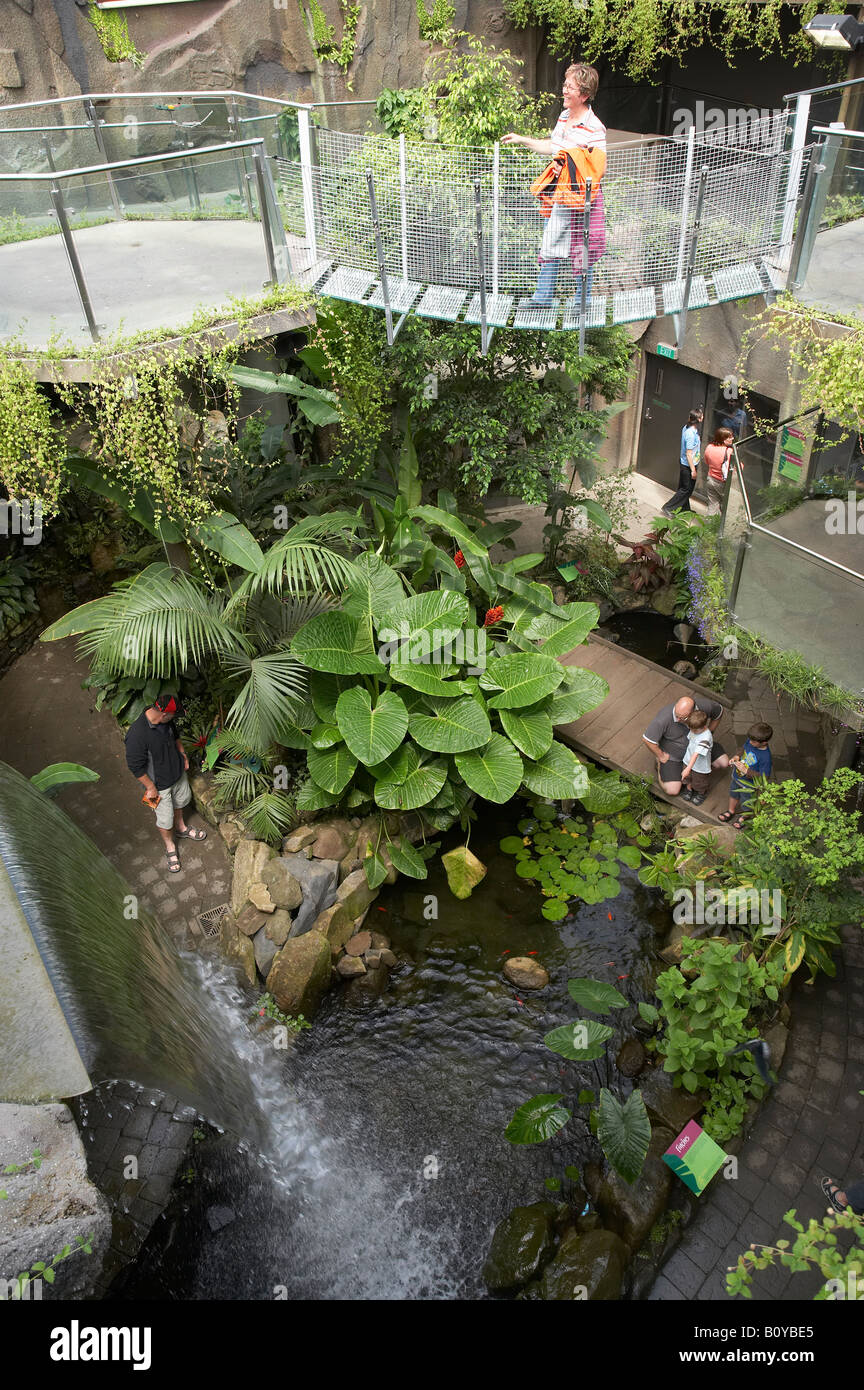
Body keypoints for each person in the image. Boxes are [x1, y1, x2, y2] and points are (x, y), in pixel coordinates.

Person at [502, 63, 606, 308]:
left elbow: (599, 167)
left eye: (569, 87)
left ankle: (583, 301)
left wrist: (570, 169)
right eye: (565, 84)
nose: (564, 90)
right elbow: (553, 147)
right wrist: (521, 139)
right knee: (550, 241)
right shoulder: (564, 116)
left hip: (581, 198)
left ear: (584, 94)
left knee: (582, 246)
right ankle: (543, 298)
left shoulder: (594, 127)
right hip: (560, 195)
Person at [125, 692, 207, 874]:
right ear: (164, 714)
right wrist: (150, 787)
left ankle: (181, 828)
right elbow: (135, 767)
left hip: (177, 774)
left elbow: (175, 737)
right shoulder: (137, 734)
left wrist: (183, 755)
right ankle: (170, 846)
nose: (174, 719)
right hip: (158, 786)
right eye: (173, 716)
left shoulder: (165, 721)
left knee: (180, 802)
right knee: (164, 819)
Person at [642, 693, 730, 798]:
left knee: (724, 763)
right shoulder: (663, 718)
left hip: (699, 747)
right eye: (676, 715)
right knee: (672, 790)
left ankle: (695, 776)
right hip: (674, 753)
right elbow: (647, 739)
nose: (677, 720)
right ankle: (659, 765)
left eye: (682, 717)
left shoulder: (704, 706)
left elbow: (719, 712)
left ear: (694, 712)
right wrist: (661, 756)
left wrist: (709, 733)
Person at [719, 722, 772, 829]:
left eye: (753, 742)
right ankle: (731, 810)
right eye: (750, 740)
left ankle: (745, 817)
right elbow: (743, 749)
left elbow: (764, 777)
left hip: (748, 785)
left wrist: (746, 771)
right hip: (737, 777)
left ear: (764, 742)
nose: (750, 742)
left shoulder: (766, 757)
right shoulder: (750, 741)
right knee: (733, 794)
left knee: (746, 802)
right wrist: (736, 757)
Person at [663, 408, 703, 515]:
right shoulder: (690, 434)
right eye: (701, 416)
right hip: (688, 465)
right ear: (698, 419)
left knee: (684, 488)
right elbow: (689, 453)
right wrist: (693, 470)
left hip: (686, 463)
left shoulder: (687, 427)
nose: (703, 417)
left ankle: (684, 508)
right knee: (686, 489)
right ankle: (668, 507)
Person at [680, 708, 713, 806]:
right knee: (688, 778)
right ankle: (689, 789)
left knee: (700, 781)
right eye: (690, 729)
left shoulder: (706, 737)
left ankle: (701, 793)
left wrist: (687, 769)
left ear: (703, 726)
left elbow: (696, 754)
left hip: (700, 766)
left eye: (694, 730)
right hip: (688, 759)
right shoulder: (694, 729)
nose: (692, 731)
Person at [704, 426, 735, 516]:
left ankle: (709, 527)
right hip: (722, 483)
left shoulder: (709, 447)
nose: (732, 438)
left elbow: (706, 461)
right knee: (726, 506)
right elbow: (737, 467)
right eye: (730, 437)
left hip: (710, 479)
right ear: (723, 439)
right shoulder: (728, 451)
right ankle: (721, 527)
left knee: (712, 505)